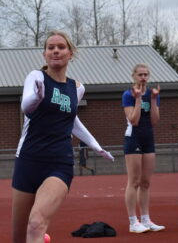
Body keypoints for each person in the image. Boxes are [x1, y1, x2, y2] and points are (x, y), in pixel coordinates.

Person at [11, 30, 114, 243]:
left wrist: (95, 145)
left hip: (59, 162)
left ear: (70, 54)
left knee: (36, 223)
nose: (55, 51)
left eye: (61, 47)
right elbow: (26, 107)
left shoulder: (76, 88)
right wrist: (37, 98)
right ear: (44, 54)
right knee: (19, 237)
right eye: (51, 48)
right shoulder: (36, 77)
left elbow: (72, 121)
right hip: (29, 159)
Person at [122, 63, 165, 233]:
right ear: (133, 76)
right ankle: (133, 221)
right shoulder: (128, 94)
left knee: (146, 182)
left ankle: (146, 219)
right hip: (133, 139)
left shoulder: (153, 94)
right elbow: (134, 119)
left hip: (148, 139)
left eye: (146, 74)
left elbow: (154, 121)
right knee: (134, 181)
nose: (143, 77)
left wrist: (153, 100)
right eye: (140, 74)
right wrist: (138, 98)